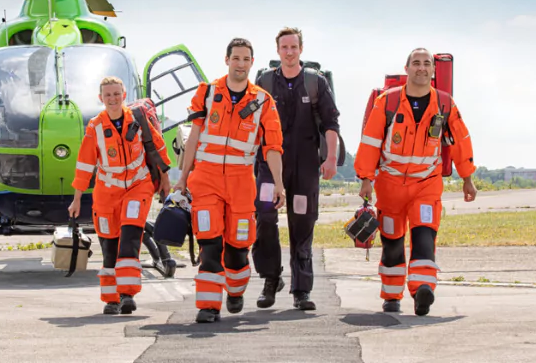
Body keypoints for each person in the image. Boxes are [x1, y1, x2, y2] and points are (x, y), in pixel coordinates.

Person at [354, 48, 477, 316]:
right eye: (417, 63)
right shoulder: (386, 102)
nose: (422, 68)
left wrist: (467, 178)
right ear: (407, 68)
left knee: (424, 236)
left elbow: (460, 141)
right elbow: (370, 142)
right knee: (393, 242)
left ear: (433, 71)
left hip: (426, 185)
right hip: (389, 186)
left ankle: (423, 289)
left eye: (427, 64)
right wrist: (366, 179)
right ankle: (391, 294)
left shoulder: (445, 105)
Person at [174, 38, 285, 323]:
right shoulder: (207, 93)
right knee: (209, 244)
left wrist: (279, 184)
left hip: (240, 183)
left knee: (237, 250)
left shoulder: (263, 101)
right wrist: (183, 178)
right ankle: (209, 307)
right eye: (236, 58)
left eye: (246, 59)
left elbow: (272, 147)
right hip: (206, 179)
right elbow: (194, 137)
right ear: (227, 60)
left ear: (252, 62)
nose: (241, 63)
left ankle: (235, 290)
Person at [252, 27, 341, 311]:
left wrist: (329, 159)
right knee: (265, 218)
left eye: (293, 47)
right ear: (277, 51)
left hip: (304, 166)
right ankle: (270, 279)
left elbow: (331, 123)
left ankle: (301, 290)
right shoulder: (264, 81)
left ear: (301, 49)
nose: (289, 52)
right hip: (269, 163)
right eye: (284, 47)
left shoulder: (316, 82)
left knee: (301, 224)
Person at [69, 76, 172, 315]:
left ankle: (127, 294)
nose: (113, 99)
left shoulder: (137, 119)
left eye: (117, 94)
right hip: (106, 193)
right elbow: (85, 164)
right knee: (109, 246)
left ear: (124, 95)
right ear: (101, 98)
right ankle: (111, 299)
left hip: (138, 186)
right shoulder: (95, 126)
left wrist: (165, 180)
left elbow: (157, 148)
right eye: (108, 95)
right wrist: (76, 199)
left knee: (130, 237)